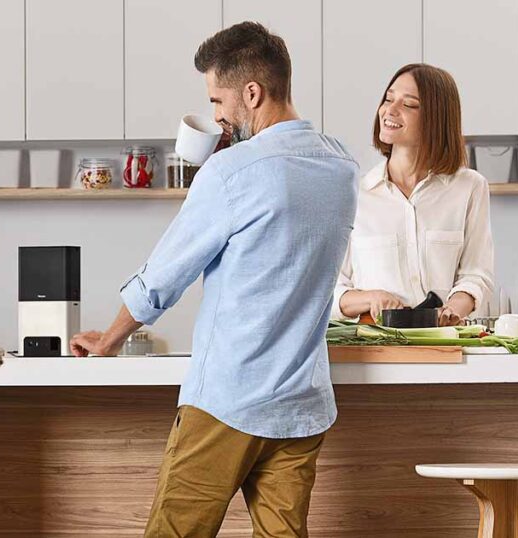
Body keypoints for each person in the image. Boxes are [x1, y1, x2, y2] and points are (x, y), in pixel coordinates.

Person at [69, 22, 358, 537]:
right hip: (301, 404)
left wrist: (108, 338)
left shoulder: (230, 173)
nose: (217, 115)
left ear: (252, 92)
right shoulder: (341, 165)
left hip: (228, 399)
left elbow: (164, 276)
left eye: (218, 99)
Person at [333, 64, 494, 326]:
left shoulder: (470, 188)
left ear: (436, 118)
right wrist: (371, 298)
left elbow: (477, 275)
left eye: (409, 104)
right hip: (374, 352)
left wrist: (453, 309)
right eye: (388, 99)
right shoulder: (354, 193)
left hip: (442, 347)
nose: (390, 110)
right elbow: (330, 289)